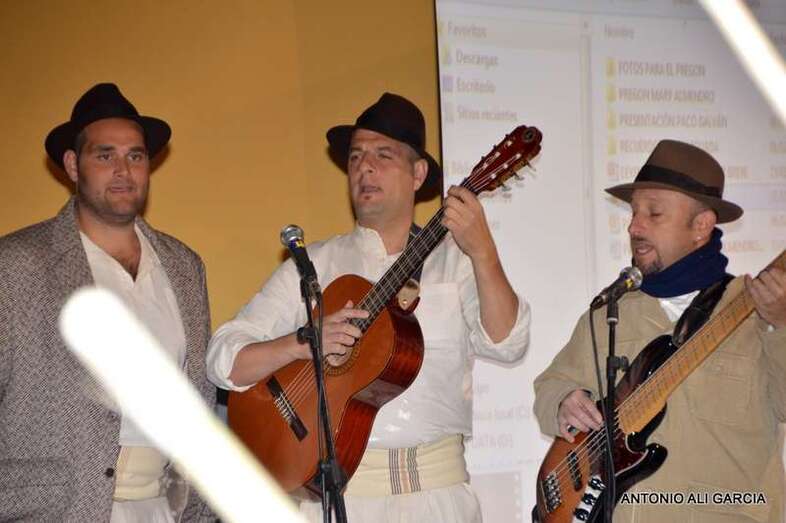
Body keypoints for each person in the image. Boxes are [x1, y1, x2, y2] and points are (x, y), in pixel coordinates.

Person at [207, 92, 531, 522]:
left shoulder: (458, 262)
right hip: (338, 501)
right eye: (356, 156)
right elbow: (222, 358)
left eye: (383, 155)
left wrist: (484, 252)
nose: (365, 167)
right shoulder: (313, 265)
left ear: (418, 174)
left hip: (437, 500)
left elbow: (508, 343)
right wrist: (303, 343)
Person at [533, 139, 786, 522]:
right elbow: (550, 386)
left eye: (654, 213)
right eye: (634, 213)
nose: (634, 226)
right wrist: (563, 400)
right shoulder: (608, 313)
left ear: (701, 226)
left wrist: (779, 326)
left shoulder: (759, 310)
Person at [0, 83, 215, 522]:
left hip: (166, 506)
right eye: (104, 156)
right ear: (72, 165)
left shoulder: (183, 265)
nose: (123, 170)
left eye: (135, 156)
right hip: (55, 509)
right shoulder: (18, 264)